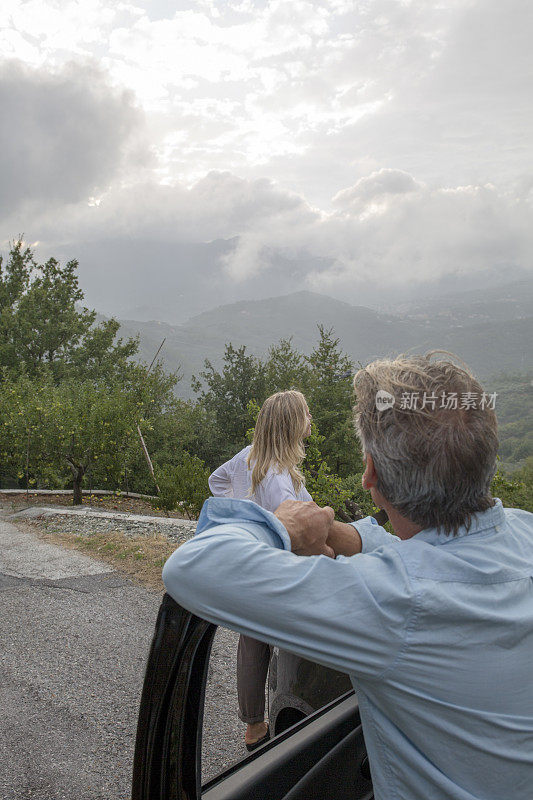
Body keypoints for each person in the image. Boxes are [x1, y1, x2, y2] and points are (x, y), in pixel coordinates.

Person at [163, 353, 533, 800]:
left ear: (371, 475)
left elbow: (191, 567)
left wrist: (279, 527)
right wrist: (347, 536)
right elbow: (438, 553)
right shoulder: (522, 528)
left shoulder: (391, 599)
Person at [207, 389, 313, 750]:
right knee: (271, 640)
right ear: (292, 424)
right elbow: (296, 528)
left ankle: (254, 725)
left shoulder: (248, 458)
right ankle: (289, 717)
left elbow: (215, 482)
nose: (309, 420)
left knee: (252, 638)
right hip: (274, 568)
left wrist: (240, 514)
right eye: (306, 414)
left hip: (247, 562)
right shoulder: (279, 477)